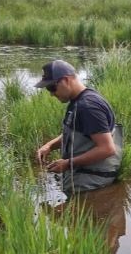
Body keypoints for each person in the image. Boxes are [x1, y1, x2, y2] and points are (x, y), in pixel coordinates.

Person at [35, 59, 123, 196]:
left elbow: (107, 149)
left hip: (91, 184)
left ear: (65, 80)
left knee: (77, 217)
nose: (51, 94)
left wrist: (67, 163)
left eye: (52, 87)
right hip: (85, 177)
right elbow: (77, 134)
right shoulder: (78, 101)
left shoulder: (88, 107)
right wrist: (50, 146)